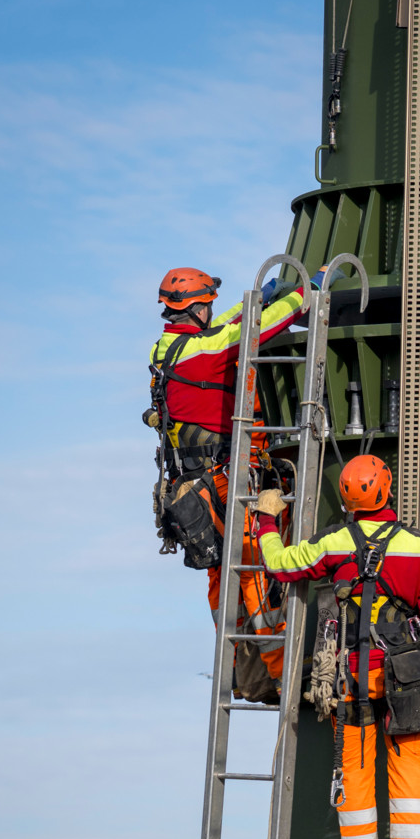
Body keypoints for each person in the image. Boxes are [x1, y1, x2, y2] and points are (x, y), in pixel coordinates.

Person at [251, 455, 420, 839]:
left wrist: (265, 519)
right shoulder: (419, 549)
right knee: (408, 777)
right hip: (406, 679)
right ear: (387, 489)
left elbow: (280, 565)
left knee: (355, 778)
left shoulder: (334, 543)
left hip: (352, 679)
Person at [147, 267, 307, 693]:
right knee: (255, 566)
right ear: (198, 307)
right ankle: (279, 668)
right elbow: (251, 331)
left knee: (221, 578)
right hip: (220, 481)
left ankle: (234, 669)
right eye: (210, 305)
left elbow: (225, 330)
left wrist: (258, 297)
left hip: (191, 488)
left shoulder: (167, 347)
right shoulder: (209, 348)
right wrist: (304, 294)